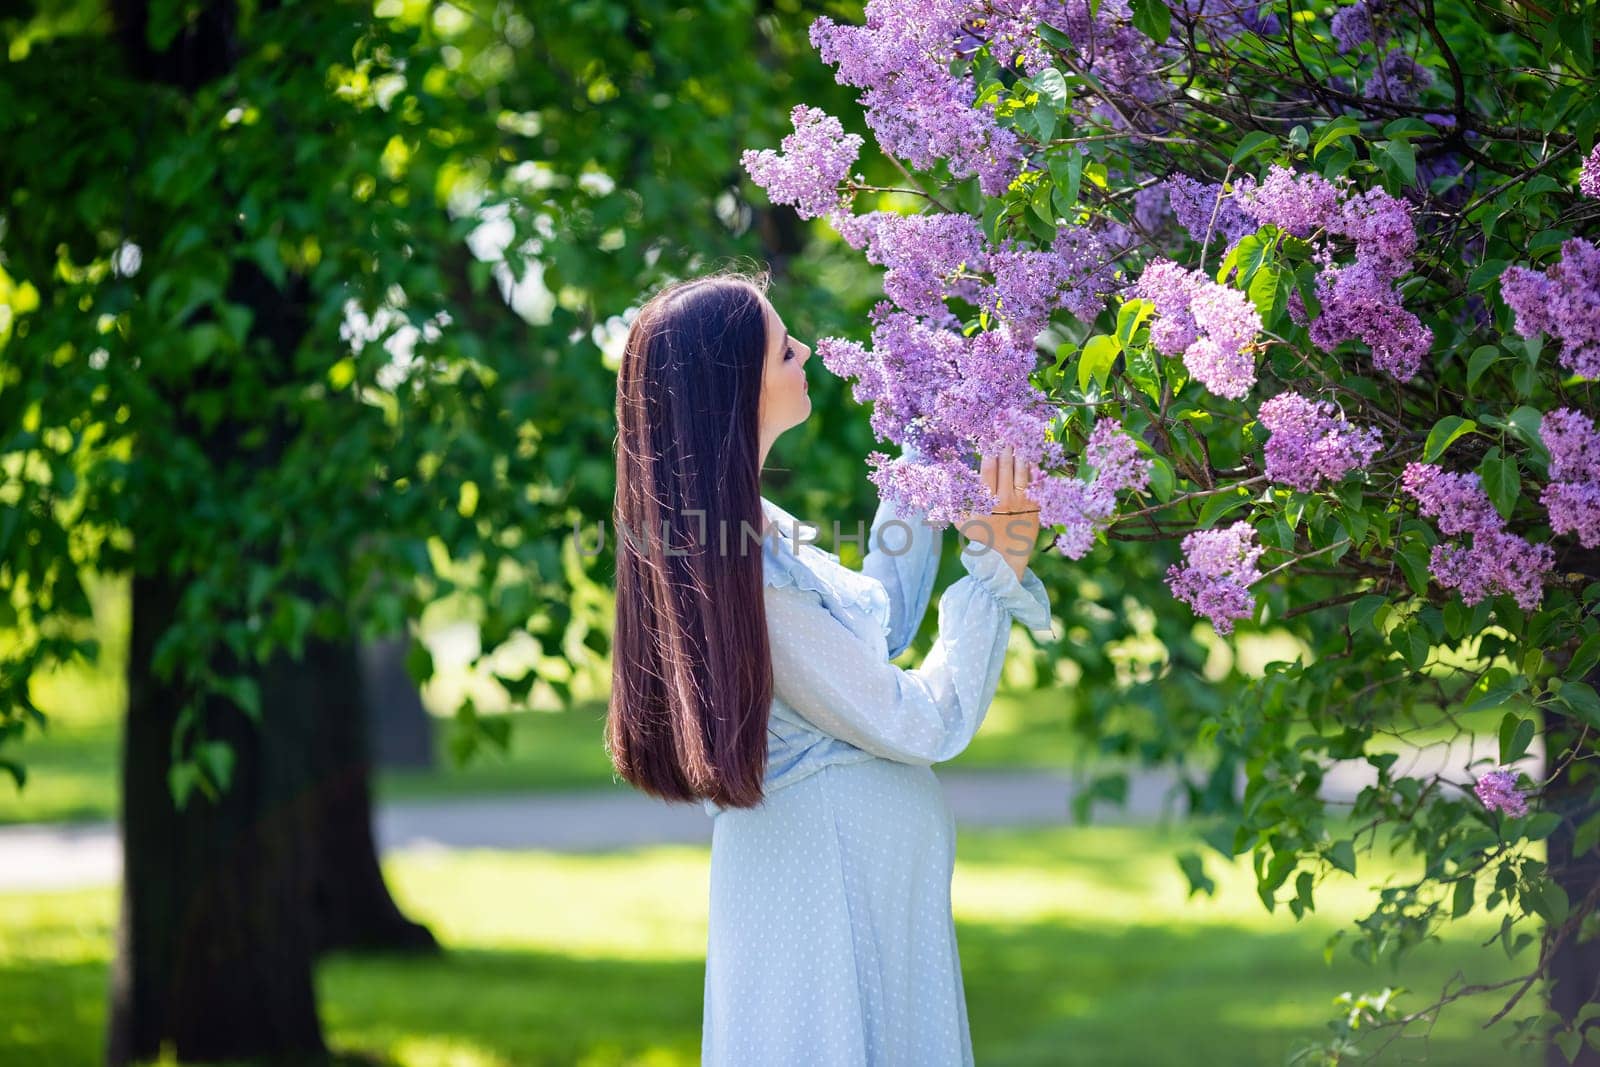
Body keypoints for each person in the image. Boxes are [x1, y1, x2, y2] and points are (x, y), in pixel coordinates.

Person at [606, 268, 1054, 1066]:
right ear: (737, 390)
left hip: (845, 887)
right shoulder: (744, 574)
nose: (806, 349)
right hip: (825, 892)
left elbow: (870, 627)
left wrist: (928, 453)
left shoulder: (745, 535)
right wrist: (995, 571)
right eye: (784, 349)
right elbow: (923, 718)